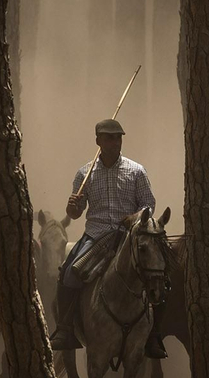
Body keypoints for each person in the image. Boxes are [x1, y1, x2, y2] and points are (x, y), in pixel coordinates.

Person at [49, 118, 163, 358]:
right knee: (69, 272)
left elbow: (149, 205)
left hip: (129, 237)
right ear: (98, 141)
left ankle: (154, 335)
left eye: (118, 137)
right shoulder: (85, 173)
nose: (115, 142)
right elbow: (74, 213)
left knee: (158, 272)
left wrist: (133, 219)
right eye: (109, 138)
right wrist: (72, 207)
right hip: (96, 236)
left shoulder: (136, 171)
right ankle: (65, 329)